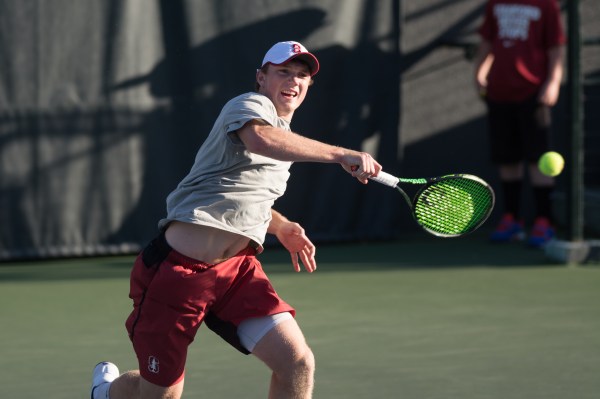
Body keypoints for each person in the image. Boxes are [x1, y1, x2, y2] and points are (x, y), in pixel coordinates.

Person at [91, 41, 382, 399]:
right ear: (261, 78)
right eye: (283, 72)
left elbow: (246, 196)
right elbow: (260, 139)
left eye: (302, 76)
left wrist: (282, 227)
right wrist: (341, 154)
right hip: (177, 274)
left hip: (236, 273)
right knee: (161, 394)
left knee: (297, 363)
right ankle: (106, 393)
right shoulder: (249, 106)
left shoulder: (287, 141)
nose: (293, 81)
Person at [473, 0, 566, 247]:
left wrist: (553, 82)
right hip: (499, 93)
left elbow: (556, 47)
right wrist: (479, 71)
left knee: (539, 159)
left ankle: (544, 222)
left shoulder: (547, 5)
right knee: (507, 159)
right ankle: (512, 219)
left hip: (533, 94)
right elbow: (488, 41)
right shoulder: (495, 3)